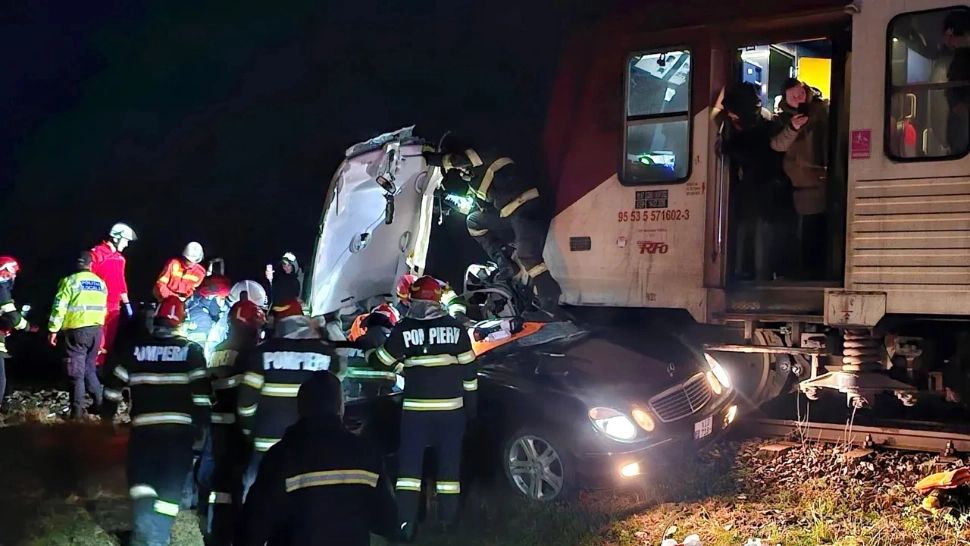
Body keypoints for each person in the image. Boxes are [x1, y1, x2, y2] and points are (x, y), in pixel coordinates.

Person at [369, 275, 478, 540]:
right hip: (452, 412)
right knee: (449, 469)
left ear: (415, 300)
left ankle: (406, 526)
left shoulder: (404, 329)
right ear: (437, 300)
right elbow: (470, 373)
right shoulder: (456, 328)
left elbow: (381, 361)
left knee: (409, 471)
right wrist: (470, 409)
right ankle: (448, 523)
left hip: (416, 413)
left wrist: (369, 353)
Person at [237, 370, 398, 546]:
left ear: (300, 408)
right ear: (340, 407)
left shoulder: (281, 456)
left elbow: (253, 528)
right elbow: (387, 521)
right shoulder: (366, 454)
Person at [101, 296, 210, 546]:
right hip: (179, 437)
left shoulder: (134, 350)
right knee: (170, 490)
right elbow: (202, 398)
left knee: (141, 485)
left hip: (144, 434)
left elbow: (112, 387)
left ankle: (143, 536)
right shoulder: (192, 352)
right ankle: (157, 538)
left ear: (157, 320)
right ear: (180, 322)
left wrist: (107, 419)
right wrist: (201, 431)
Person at [424, 141, 563, 314]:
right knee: (473, 221)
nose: (460, 172)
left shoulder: (484, 153)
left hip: (525, 206)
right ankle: (504, 263)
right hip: (510, 213)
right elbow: (471, 206)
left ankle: (551, 307)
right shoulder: (475, 179)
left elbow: (457, 160)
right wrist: (444, 200)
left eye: (459, 169)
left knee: (529, 257)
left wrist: (427, 158)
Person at [237, 299, 337, 499]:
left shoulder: (262, 353)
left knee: (257, 496)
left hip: (267, 442)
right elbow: (336, 400)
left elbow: (246, 403)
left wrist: (250, 431)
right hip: (310, 443)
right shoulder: (325, 354)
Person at [717, 83, 803, 281]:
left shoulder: (741, 137)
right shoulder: (767, 125)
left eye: (732, 113)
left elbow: (753, 153)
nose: (730, 116)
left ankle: (755, 277)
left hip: (760, 199)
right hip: (772, 197)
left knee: (759, 244)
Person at [198, 300, 265, 546]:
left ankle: (213, 526)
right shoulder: (250, 354)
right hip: (237, 425)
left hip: (215, 423)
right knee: (234, 481)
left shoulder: (218, 349)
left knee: (215, 480)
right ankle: (230, 530)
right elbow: (249, 393)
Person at [773, 78, 829, 279]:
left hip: (820, 178)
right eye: (794, 96)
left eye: (801, 94)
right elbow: (777, 145)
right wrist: (793, 128)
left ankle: (814, 271)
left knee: (815, 230)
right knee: (800, 231)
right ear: (786, 98)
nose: (799, 98)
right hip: (798, 184)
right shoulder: (780, 120)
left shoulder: (823, 112)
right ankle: (802, 271)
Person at [48, 251, 108, 419]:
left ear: (77, 264)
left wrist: (53, 329)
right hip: (96, 331)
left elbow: (59, 307)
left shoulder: (70, 281)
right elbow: (104, 309)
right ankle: (101, 404)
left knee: (76, 374)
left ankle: (76, 414)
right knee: (89, 369)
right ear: (91, 265)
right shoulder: (101, 283)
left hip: (76, 332)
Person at [90, 222, 136, 365]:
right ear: (116, 238)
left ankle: (101, 373)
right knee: (98, 341)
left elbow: (120, 282)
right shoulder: (96, 253)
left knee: (108, 342)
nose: (127, 244)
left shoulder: (120, 259)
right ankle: (92, 371)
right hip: (98, 305)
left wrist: (127, 303)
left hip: (114, 306)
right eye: (126, 240)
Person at [0, 256, 30, 409]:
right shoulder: (1, 287)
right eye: (13, 273)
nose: (14, 277)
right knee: (0, 379)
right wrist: (27, 326)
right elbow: (13, 317)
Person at [185, 274, 231, 360]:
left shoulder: (228, 313)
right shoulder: (198, 316)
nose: (223, 302)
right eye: (222, 299)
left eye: (223, 298)